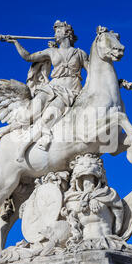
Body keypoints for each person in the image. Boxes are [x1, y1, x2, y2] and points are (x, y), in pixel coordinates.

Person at [8, 20, 88, 161]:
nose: (55, 34)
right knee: (30, 113)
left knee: (48, 116)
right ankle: (13, 127)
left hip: (70, 90)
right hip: (51, 87)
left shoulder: (80, 53)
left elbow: (93, 72)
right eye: (55, 32)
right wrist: (15, 42)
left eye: (58, 31)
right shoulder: (51, 52)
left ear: (67, 33)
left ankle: (26, 147)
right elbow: (28, 57)